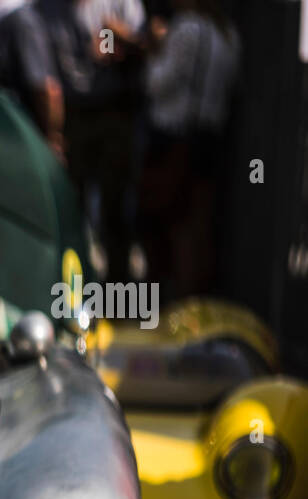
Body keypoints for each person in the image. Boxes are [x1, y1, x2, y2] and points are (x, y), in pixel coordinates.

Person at [39, 0, 147, 282]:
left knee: (115, 204)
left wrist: (119, 39)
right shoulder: (50, 9)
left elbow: (147, 46)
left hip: (114, 113)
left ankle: (119, 286)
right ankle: (73, 280)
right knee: (72, 203)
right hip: (74, 116)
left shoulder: (122, 4)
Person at [139, 0, 240, 298]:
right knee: (198, 221)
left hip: (176, 138)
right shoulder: (228, 34)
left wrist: (156, 48)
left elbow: (156, 83)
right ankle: (195, 296)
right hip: (209, 136)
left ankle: (176, 299)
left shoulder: (186, 29)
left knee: (170, 221)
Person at [0, 0, 66, 157]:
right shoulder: (19, 20)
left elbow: (45, 89)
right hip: (11, 129)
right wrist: (53, 136)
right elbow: (46, 89)